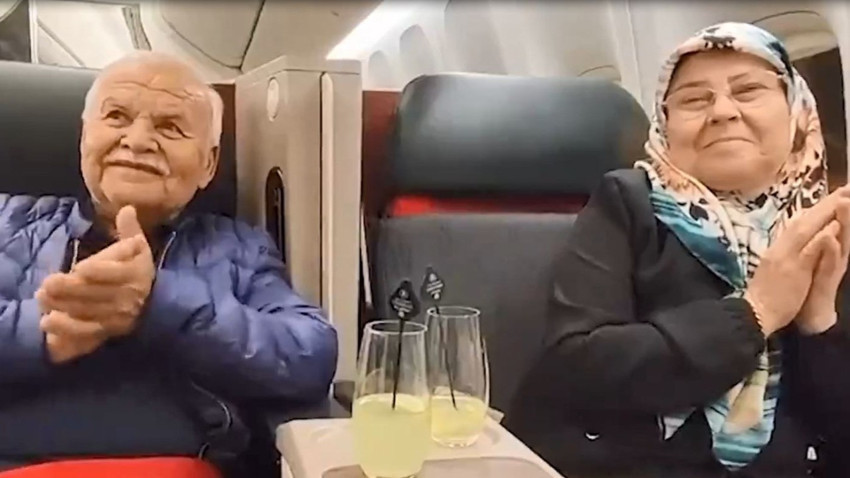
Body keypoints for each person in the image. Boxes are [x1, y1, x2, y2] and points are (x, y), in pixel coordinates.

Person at [505, 22, 850, 478]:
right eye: (693, 99)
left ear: (795, 108)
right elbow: (577, 366)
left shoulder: (830, 221)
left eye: (748, 90)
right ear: (665, 124)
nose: (722, 111)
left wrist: (818, 324)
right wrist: (756, 312)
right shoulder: (629, 201)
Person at [0, 52, 338, 477]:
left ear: (208, 165)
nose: (138, 140)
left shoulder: (239, 248)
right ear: (85, 137)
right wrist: (47, 328)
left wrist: (160, 303)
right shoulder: (7, 221)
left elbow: (311, 353)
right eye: (117, 117)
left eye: (170, 127)